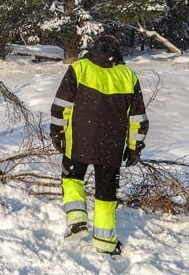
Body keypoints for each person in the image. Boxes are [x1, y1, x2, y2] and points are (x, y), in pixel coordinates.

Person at [49, 34, 149, 255]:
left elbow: (61, 105)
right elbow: (138, 119)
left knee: (72, 179)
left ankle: (77, 221)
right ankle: (105, 244)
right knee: (106, 194)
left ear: (94, 48)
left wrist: (57, 131)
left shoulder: (80, 68)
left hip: (79, 141)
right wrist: (134, 147)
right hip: (111, 147)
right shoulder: (128, 76)